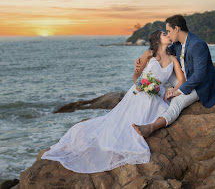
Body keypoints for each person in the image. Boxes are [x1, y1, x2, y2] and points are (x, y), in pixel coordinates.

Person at [41, 30, 185, 173]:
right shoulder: (149, 54)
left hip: (157, 94)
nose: (168, 35)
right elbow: (136, 75)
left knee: (158, 110)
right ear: (158, 39)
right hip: (139, 91)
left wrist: (172, 91)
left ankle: (142, 129)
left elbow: (181, 80)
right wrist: (139, 85)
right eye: (164, 34)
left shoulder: (173, 59)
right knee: (130, 115)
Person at [133, 14, 215, 137]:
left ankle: (151, 127)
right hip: (186, 79)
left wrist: (178, 91)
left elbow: (200, 75)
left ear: (177, 29)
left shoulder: (197, 45)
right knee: (163, 67)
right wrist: (139, 61)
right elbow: (160, 53)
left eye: (169, 31)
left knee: (176, 102)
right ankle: (159, 93)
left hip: (200, 85)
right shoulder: (177, 44)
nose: (168, 35)